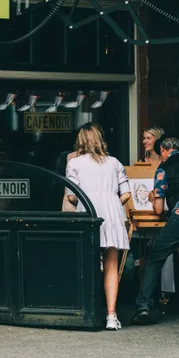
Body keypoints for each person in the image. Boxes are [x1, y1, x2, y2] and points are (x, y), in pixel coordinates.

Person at [65, 124, 131, 330]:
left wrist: (86, 201)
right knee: (112, 264)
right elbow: (127, 194)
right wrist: (112, 204)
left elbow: (71, 196)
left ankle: (90, 313)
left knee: (89, 262)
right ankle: (111, 315)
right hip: (111, 214)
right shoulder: (114, 162)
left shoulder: (74, 163)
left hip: (89, 214)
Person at [131, 137, 179, 325]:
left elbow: (158, 209)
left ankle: (143, 306)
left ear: (163, 150)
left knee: (155, 258)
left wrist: (153, 197)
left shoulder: (163, 168)